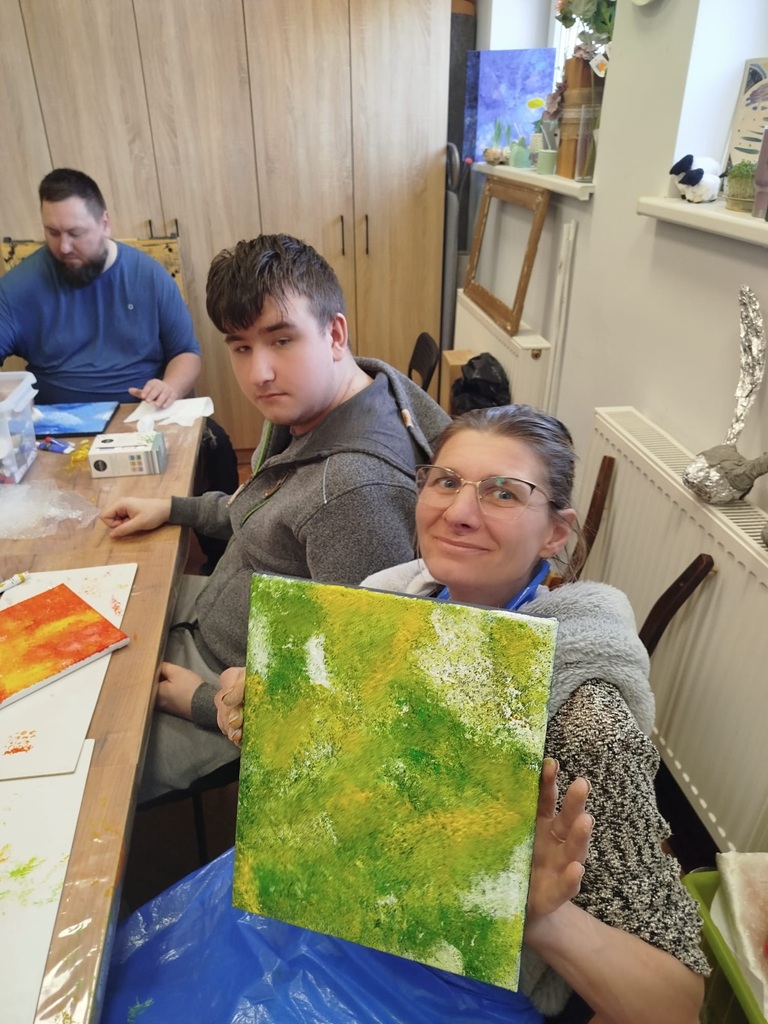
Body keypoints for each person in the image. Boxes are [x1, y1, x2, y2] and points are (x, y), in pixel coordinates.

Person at [216, 405, 708, 1023]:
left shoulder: (584, 718)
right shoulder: (390, 599)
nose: (459, 512)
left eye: (503, 493)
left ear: (556, 533)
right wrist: (271, 716)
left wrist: (537, 914)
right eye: (447, 481)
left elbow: (677, 1004)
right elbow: (346, 786)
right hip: (336, 907)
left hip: (456, 986)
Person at [101, 233, 450, 802]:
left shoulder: (353, 493)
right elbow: (263, 507)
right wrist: (173, 507)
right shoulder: (316, 399)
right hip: (216, 620)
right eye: (240, 347)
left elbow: (360, 701)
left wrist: (199, 700)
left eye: (281, 340)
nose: (259, 372)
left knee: (83, 760)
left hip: (235, 694)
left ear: (334, 334)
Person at [0, 167, 239, 565]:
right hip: (56, 427)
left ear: (105, 223)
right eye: (52, 232)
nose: (63, 246)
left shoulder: (148, 275)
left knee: (219, 447)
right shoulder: (18, 287)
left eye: (75, 233)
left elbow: (186, 352)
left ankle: (222, 558)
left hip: (144, 416)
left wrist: (170, 386)